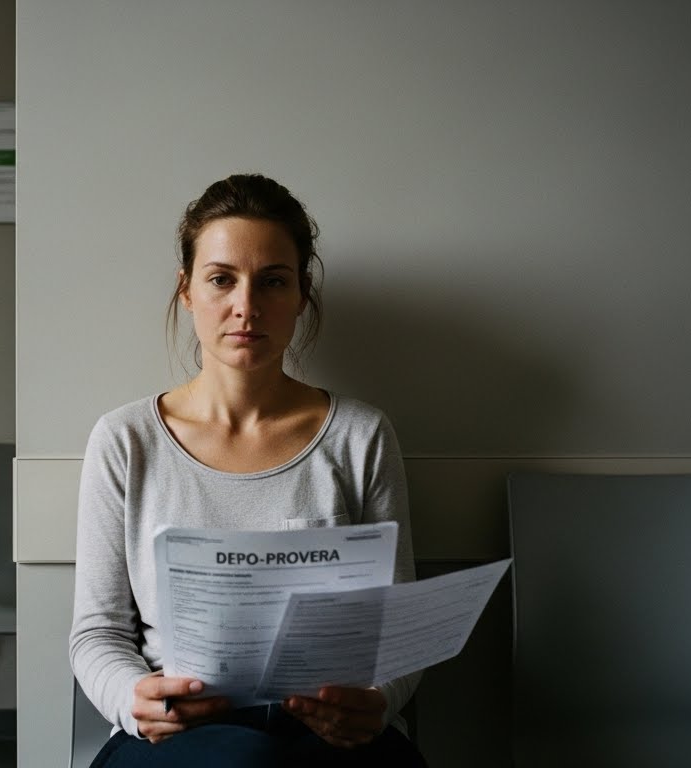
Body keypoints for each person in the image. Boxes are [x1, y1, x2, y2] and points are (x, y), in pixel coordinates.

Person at [71, 173, 428, 767]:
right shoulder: (125, 440)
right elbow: (97, 634)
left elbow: (396, 630)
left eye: (273, 282)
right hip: (180, 736)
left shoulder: (361, 436)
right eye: (221, 279)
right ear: (187, 291)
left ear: (301, 295)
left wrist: (376, 700)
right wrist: (136, 700)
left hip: (325, 732)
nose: (247, 307)